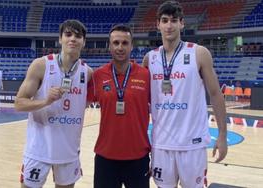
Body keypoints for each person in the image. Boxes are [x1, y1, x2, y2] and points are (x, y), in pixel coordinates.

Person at [142, 1, 228, 188]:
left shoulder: (199, 53)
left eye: (174, 20)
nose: (169, 25)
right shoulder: (150, 58)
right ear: (158, 24)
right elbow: (141, 101)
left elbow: (215, 94)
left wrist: (222, 135)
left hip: (192, 144)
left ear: (182, 23)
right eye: (165, 21)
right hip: (161, 144)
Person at [14, 19, 93, 188]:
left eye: (78, 36)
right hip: (38, 150)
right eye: (68, 34)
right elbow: (19, 103)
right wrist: (45, 101)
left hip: (68, 152)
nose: (72, 39)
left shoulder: (88, 73)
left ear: (84, 42)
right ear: (60, 39)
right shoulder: (41, 65)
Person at [87, 24, 151, 188]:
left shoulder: (145, 75)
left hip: (138, 158)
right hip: (105, 157)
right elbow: (77, 104)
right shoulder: (98, 76)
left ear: (132, 46)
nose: (120, 47)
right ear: (109, 46)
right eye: (116, 43)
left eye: (124, 43)